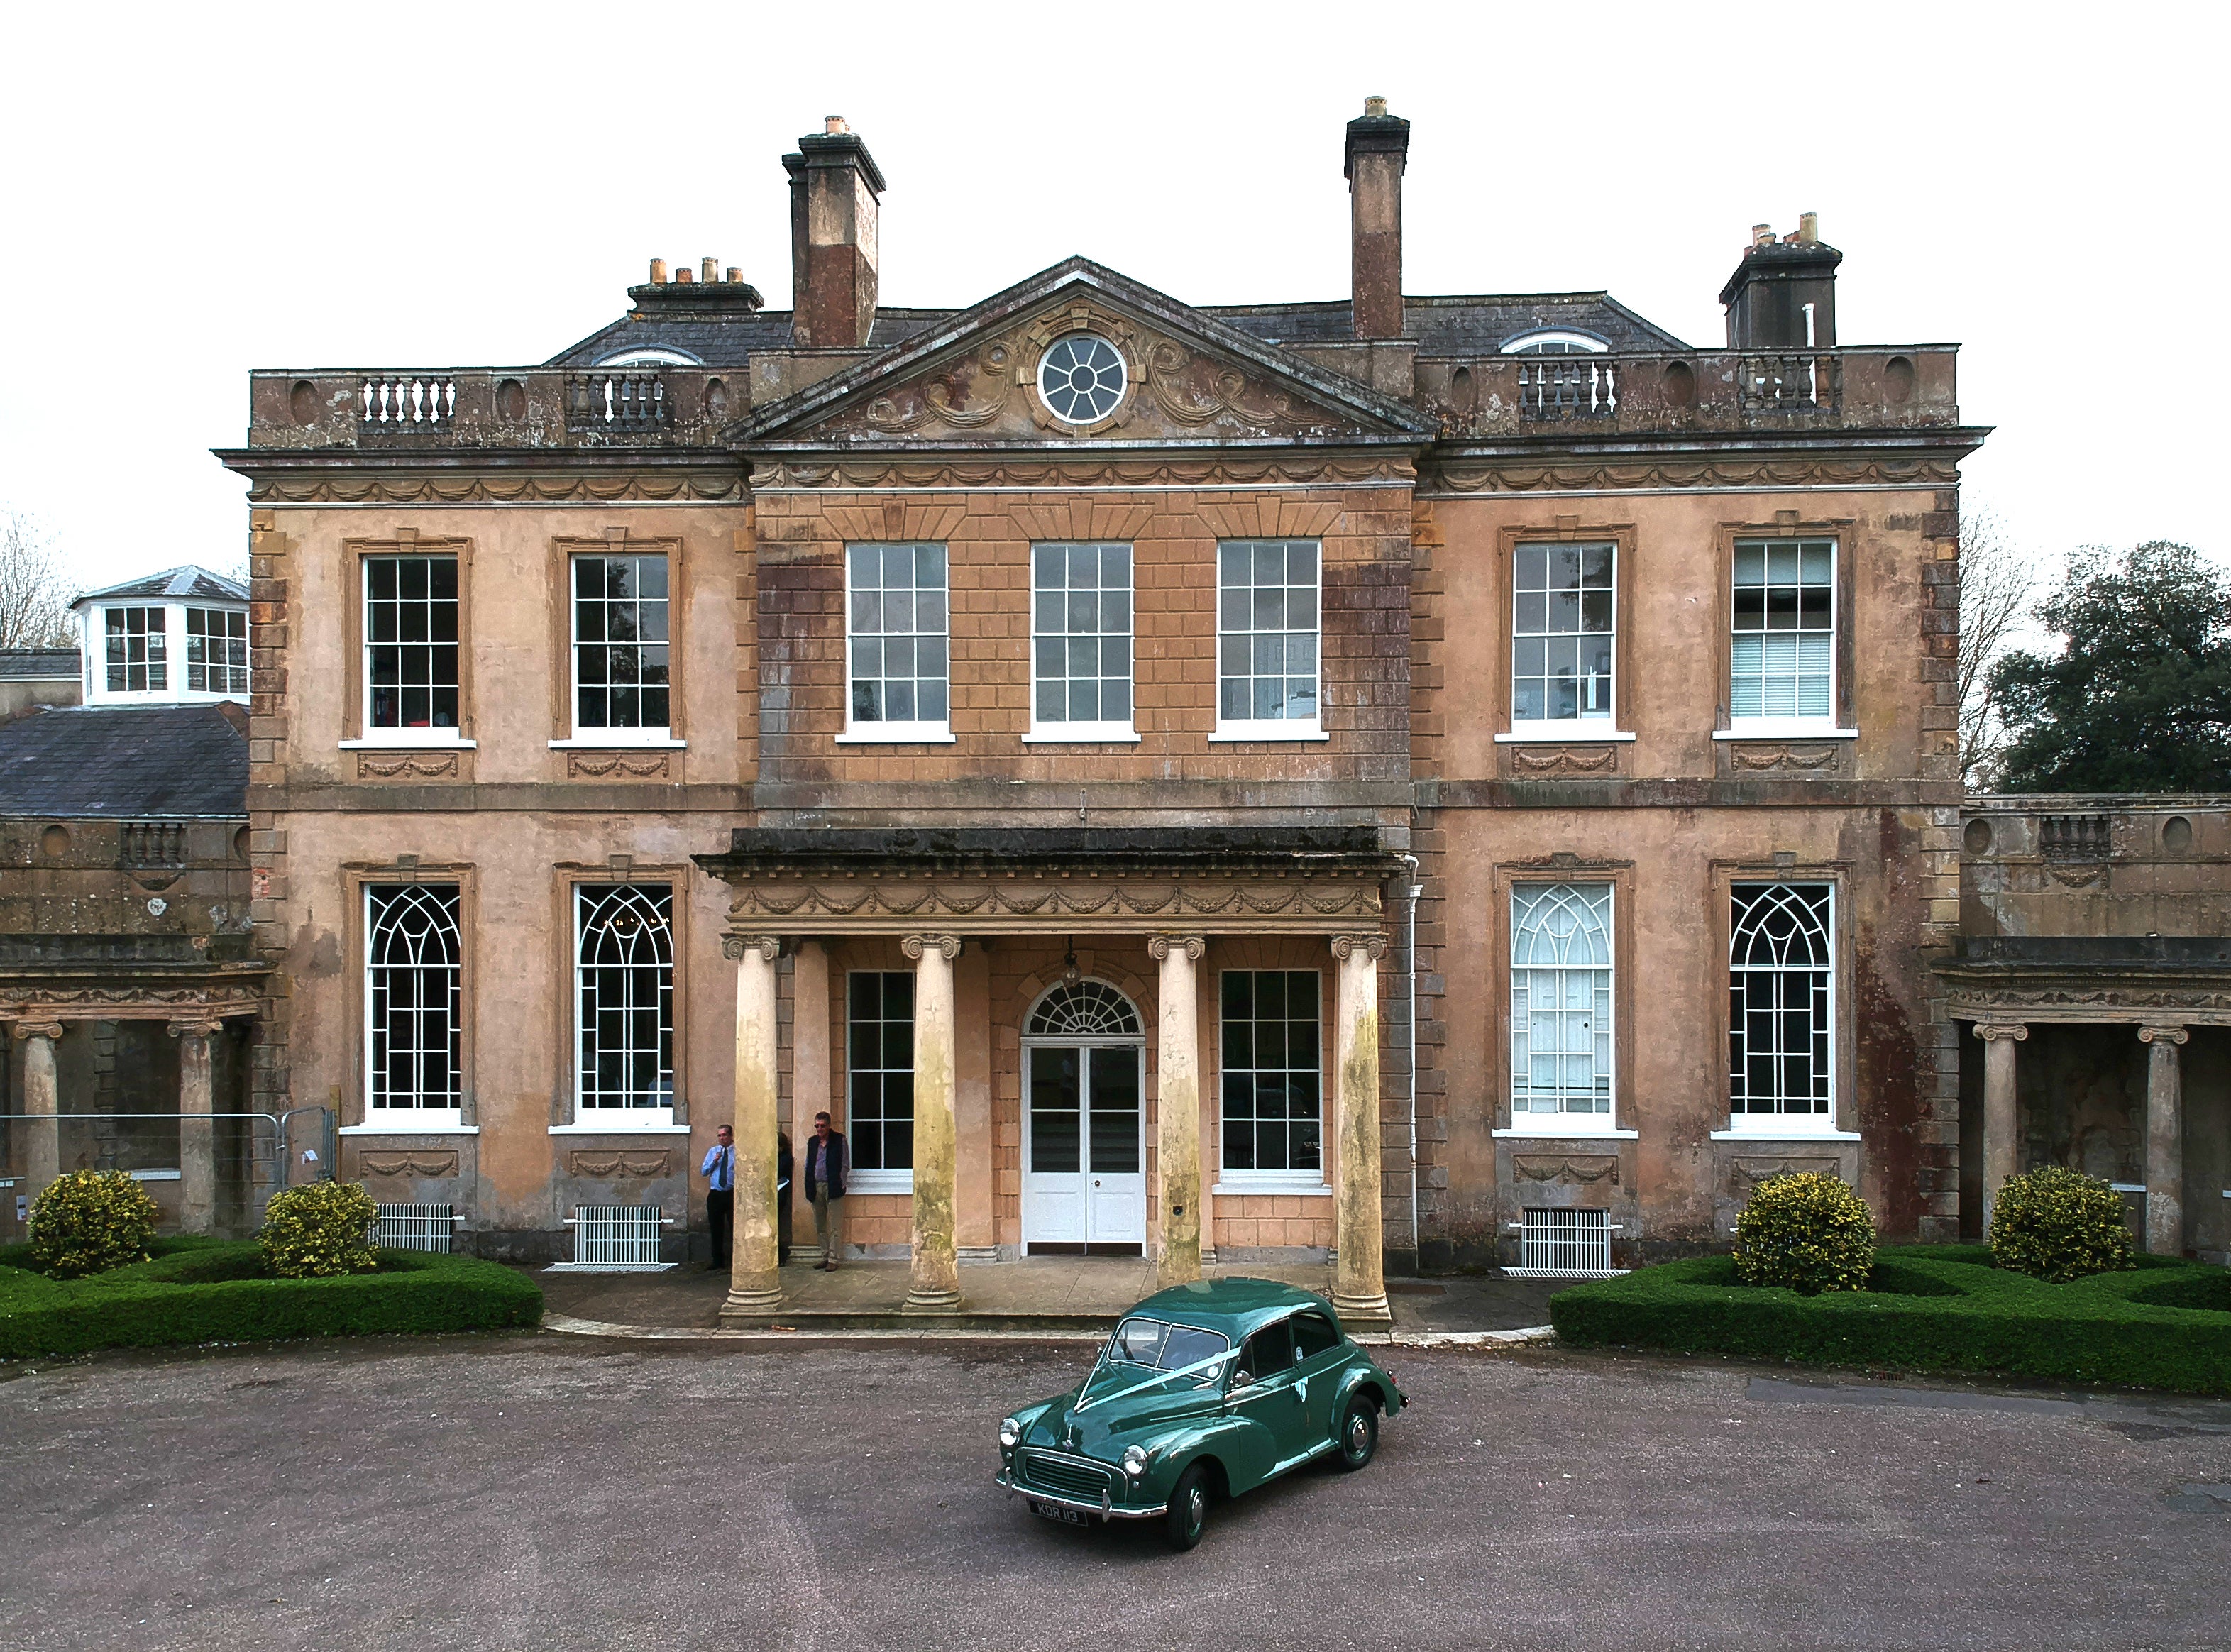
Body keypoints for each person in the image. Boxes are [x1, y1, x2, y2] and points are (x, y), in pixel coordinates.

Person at [800, 1111, 847, 1270]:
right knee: (820, 1224)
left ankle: (834, 1258)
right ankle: (825, 1255)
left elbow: (845, 1164)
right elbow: (808, 1163)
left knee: (835, 1225)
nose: (819, 1129)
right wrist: (808, 1183)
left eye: (822, 1126)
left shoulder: (839, 1140)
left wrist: (841, 1182)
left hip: (833, 1185)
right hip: (816, 1185)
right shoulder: (812, 1142)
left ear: (829, 1126)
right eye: (817, 1126)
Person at [700, 1125, 735, 1271]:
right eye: (719, 1136)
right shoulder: (713, 1151)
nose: (722, 1138)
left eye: (724, 1135)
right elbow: (704, 1171)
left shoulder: (737, 1152)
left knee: (735, 1227)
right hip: (716, 1194)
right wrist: (715, 1161)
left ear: (731, 1136)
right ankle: (717, 1260)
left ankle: (736, 1260)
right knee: (716, 1228)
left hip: (731, 1193)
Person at [776, 1130, 794, 1266]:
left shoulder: (786, 1157)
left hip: (780, 1192)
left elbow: (779, 1171)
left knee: (777, 1225)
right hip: (773, 1193)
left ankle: (782, 1254)